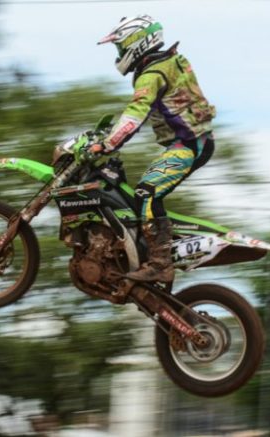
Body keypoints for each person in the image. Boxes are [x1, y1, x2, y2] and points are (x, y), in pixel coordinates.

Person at [94, 14, 216, 283]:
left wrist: (107, 144)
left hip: (190, 145)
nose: (120, 54)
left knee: (146, 192)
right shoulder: (168, 62)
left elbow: (135, 114)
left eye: (121, 47)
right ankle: (141, 250)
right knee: (137, 190)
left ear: (137, 42)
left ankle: (160, 263)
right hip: (192, 141)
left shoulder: (152, 74)